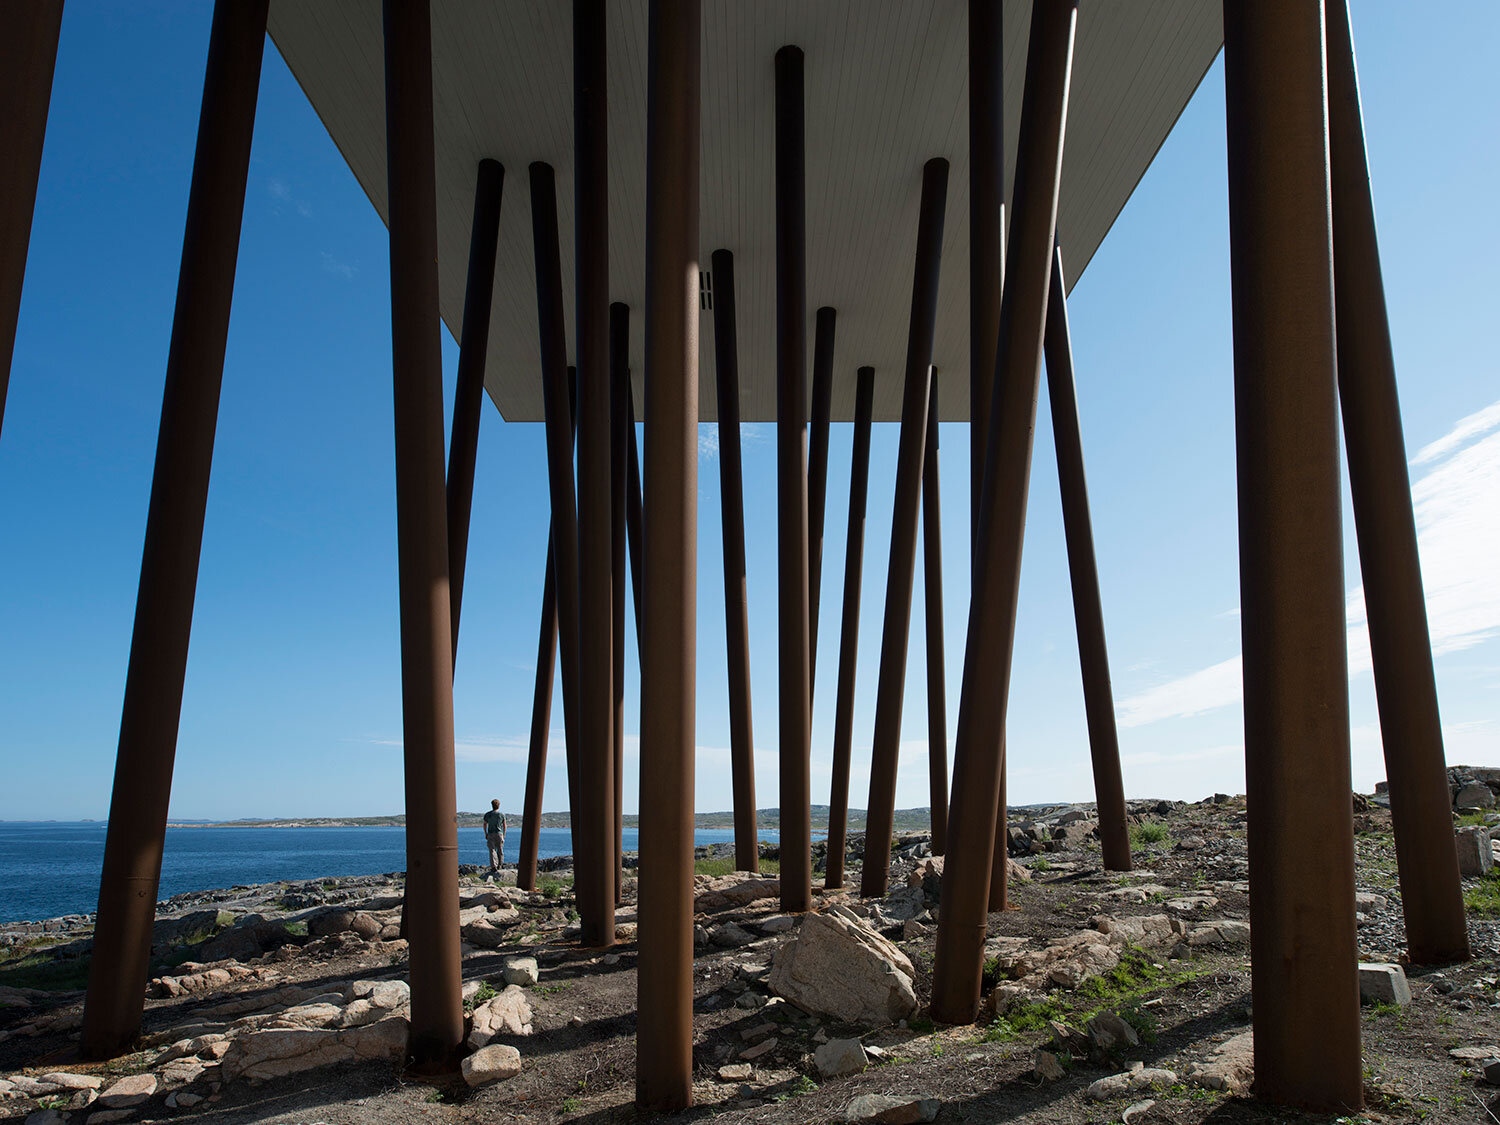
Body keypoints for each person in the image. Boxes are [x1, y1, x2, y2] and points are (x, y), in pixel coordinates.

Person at [483, 799, 507, 874]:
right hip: (499, 834)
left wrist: (486, 833)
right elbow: (504, 825)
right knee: (500, 850)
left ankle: (493, 866)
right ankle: (500, 864)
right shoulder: (501, 814)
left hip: (490, 834)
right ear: (498, 805)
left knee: (492, 850)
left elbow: (484, 824)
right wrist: (504, 834)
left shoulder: (488, 814)